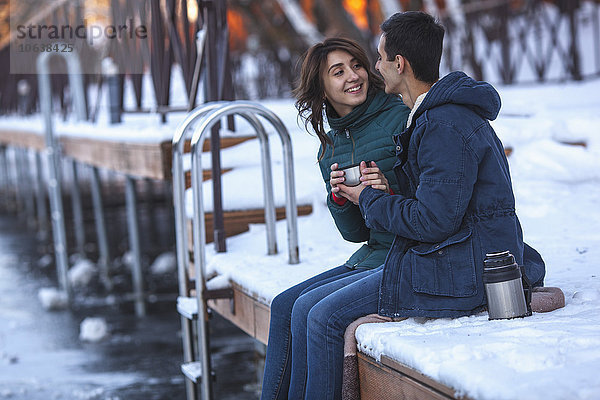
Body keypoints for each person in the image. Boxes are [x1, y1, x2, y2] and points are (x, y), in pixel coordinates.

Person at [260, 37, 410, 400]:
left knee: (319, 316)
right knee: (285, 305)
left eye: (356, 66)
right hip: (373, 253)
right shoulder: (330, 146)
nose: (352, 77)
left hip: (408, 253)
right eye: (337, 72)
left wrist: (386, 191)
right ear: (321, 87)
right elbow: (356, 234)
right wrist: (340, 199)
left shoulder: (400, 115)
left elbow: (430, 201)